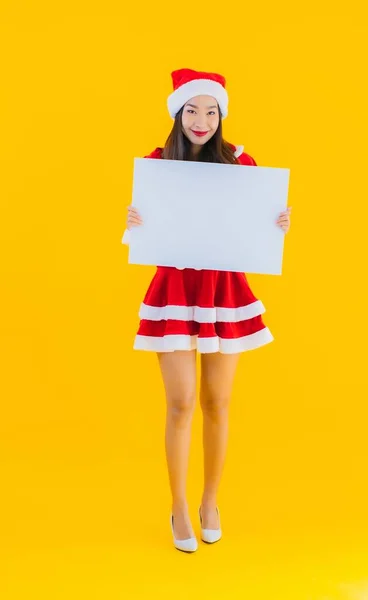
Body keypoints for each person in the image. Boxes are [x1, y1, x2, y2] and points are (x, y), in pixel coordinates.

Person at [122, 68, 292, 552]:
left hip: (224, 294)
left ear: (221, 115)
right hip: (174, 290)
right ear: (178, 113)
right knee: (180, 403)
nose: (201, 119)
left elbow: (258, 227)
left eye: (210, 110)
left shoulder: (241, 162)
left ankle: (210, 500)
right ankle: (178, 506)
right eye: (192, 110)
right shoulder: (158, 164)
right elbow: (145, 235)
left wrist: (277, 220)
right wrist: (134, 221)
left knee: (217, 402)